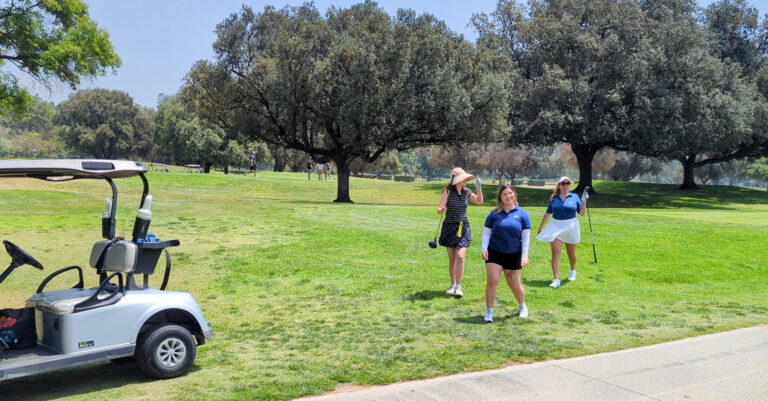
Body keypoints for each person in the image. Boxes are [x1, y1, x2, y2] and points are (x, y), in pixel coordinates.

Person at [481, 184, 531, 322]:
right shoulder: (494, 214)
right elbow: (486, 233)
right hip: (495, 252)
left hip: (514, 254)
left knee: (514, 284)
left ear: (514, 194)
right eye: (505, 194)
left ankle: (522, 306)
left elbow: (525, 237)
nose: (508, 196)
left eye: (510, 193)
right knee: (493, 281)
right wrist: (484, 249)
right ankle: (489, 311)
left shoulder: (522, 214)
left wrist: (524, 255)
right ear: (500, 198)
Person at [437, 167, 483, 298]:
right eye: (464, 178)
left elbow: (479, 201)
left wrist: (479, 188)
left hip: (463, 227)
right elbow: (439, 209)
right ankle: (452, 285)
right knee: (452, 259)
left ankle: (458, 286)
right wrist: (441, 210)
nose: (466, 180)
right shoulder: (447, 191)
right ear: (457, 180)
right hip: (449, 226)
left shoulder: (467, 192)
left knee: (461, 256)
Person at [536, 176, 589, 288]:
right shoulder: (553, 198)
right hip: (556, 226)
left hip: (571, 227)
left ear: (569, 185)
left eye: (567, 183)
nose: (565, 185)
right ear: (559, 185)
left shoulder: (574, 197)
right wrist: (541, 227)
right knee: (555, 252)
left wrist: (584, 202)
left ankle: (572, 270)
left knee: (572, 254)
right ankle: (556, 279)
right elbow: (548, 212)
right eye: (563, 183)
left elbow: (581, 213)